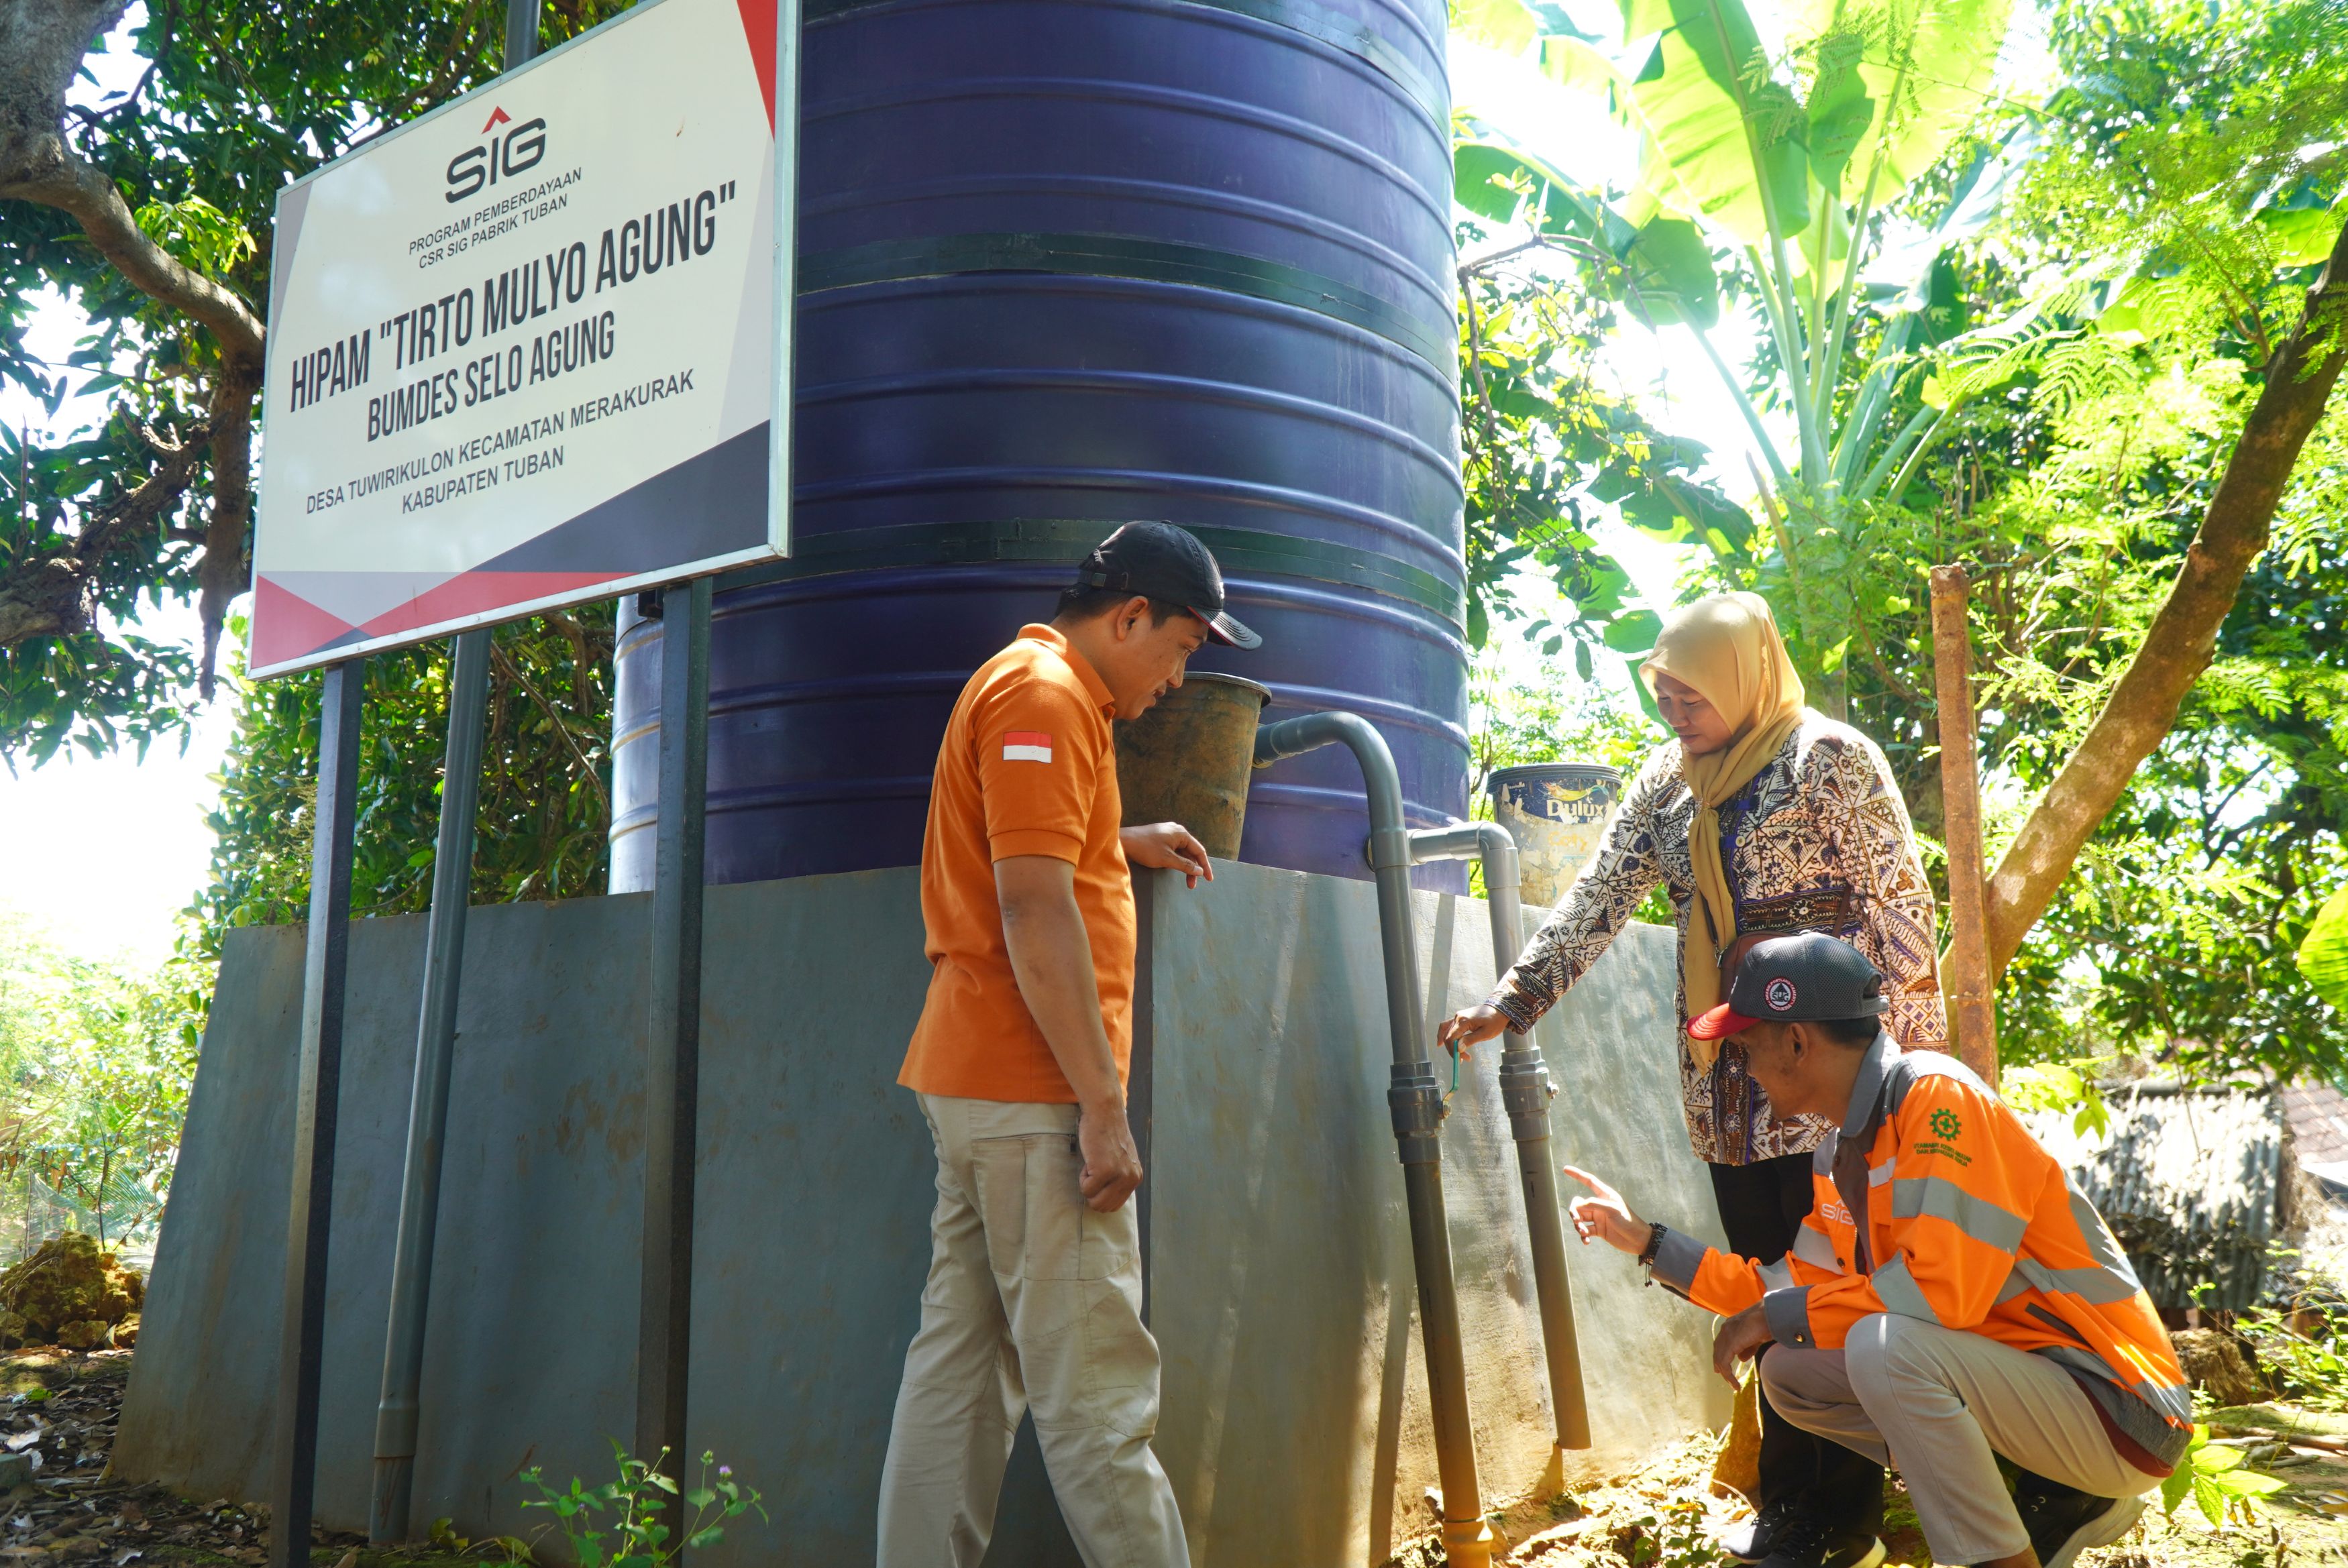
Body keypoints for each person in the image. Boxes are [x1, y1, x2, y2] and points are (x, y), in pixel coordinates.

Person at [1440, 592, 1945, 1568]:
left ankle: (1838, 1517)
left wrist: (1900, 1075)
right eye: (1661, 692)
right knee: (1766, 1278)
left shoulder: (1828, 760)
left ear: (1742, 675)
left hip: (1836, 1075)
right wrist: (1514, 999)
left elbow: (1905, 916)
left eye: (1690, 693)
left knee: (1832, 1281)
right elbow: (1597, 898)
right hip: (1731, 1078)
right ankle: (1788, 1502)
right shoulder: (1667, 787)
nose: (1673, 710)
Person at [875, 521, 1260, 1568]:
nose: (1181, 677)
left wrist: (1113, 839)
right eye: (1180, 646)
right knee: (1097, 1400)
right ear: (1129, 614)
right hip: (1033, 1096)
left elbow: (1029, 848)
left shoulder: (1031, 688)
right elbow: (1034, 908)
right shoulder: (1043, 695)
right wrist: (1101, 1107)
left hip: (977, 1083)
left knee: (957, 1375)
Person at [1563, 932, 2190, 1568]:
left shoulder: (1939, 1100)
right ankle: (2039, 1489)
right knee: (1790, 1374)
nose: (1744, 1068)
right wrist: (1646, 1240)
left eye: (1747, 1048)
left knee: (1882, 1347)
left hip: (2118, 1405)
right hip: (2038, 1393)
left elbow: (1940, 1297)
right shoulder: (1843, 1154)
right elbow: (1783, 1291)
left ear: (1797, 1041)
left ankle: (2007, 1549)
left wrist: (1775, 1318)